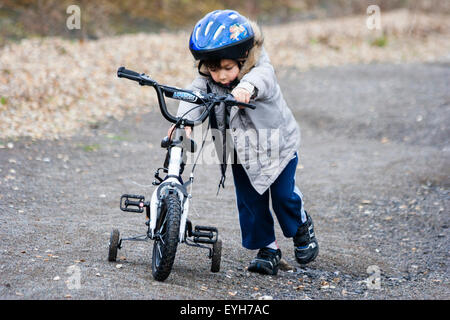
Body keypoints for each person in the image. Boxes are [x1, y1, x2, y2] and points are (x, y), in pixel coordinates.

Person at [168, 9, 318, 275]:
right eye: (214, 69)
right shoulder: (208, 79)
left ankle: (301, 225)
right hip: (237, 150)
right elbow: (193, 95)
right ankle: (268, 249)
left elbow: (261, 80)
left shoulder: (259, 69)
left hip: (276, 147)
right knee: (250, 202)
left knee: (283, 197)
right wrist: (184, 123)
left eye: (227, 68)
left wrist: (245, 88)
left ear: (243, 57)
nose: (221, 76)